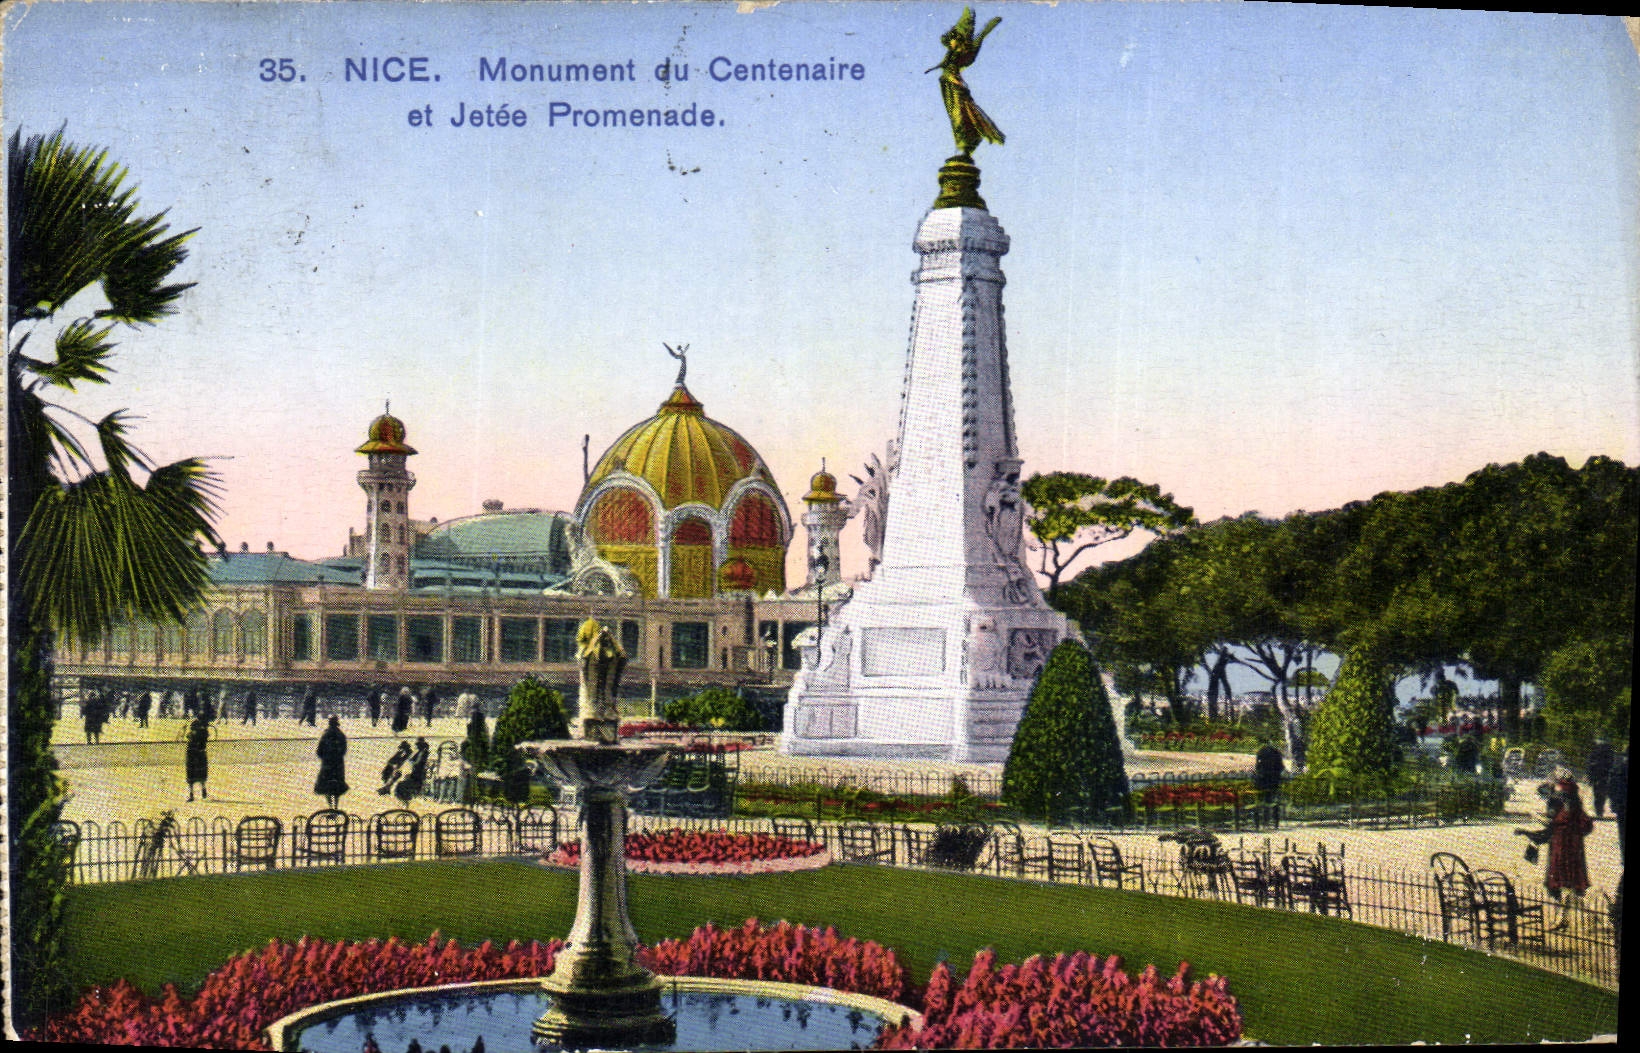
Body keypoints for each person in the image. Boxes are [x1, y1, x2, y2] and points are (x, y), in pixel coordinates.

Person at [1516, 769, 1595, 930]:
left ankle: (1568, 918)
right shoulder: (1569, 807)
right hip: (1564, 850)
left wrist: (1537, 822)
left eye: (1563, 794)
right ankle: (1584, 917)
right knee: (1568, 887)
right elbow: (1555, 827)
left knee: (1565, 886)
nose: (1561, 796)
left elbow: (1554, 826)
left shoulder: (1568, 808)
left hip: (1565, 851)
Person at [314, 715, 350, 809]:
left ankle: (330, 807)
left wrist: (325, 757)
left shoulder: (325, 734)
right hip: (338, 764)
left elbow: (319, 751)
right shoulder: (341, 735)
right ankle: (336, 807)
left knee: (326, 787)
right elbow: (344, 750)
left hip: (327, 764)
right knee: (337, 786)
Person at [395, 737, 431, 805]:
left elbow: (416, 763)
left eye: (418, 745)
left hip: (417, 778)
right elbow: (413, 761)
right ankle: (405, 801)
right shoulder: (420, 752)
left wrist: (411, 762)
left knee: (400, 785)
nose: (416, 746)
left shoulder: (423, 753)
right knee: (401, 784)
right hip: (415, 775)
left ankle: (405, 800)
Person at [185, 713, 211, 801]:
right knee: (201, 773)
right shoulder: (204, 732)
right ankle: (203, 791)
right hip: (200, 754)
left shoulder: (193, 731)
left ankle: (192, 794)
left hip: (191, 754)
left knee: (191, 774)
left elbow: (188, 736)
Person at [1589, 737, 1616, 819]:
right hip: (1604, 777)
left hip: (1599, 776)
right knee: (1601, 795)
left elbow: (1590, 765)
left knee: (1598, 794)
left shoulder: (1595, 752)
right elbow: (1612, 765)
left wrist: (1590, 777)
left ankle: (1599, 811)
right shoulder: (1609, 752)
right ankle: (1599, 811)